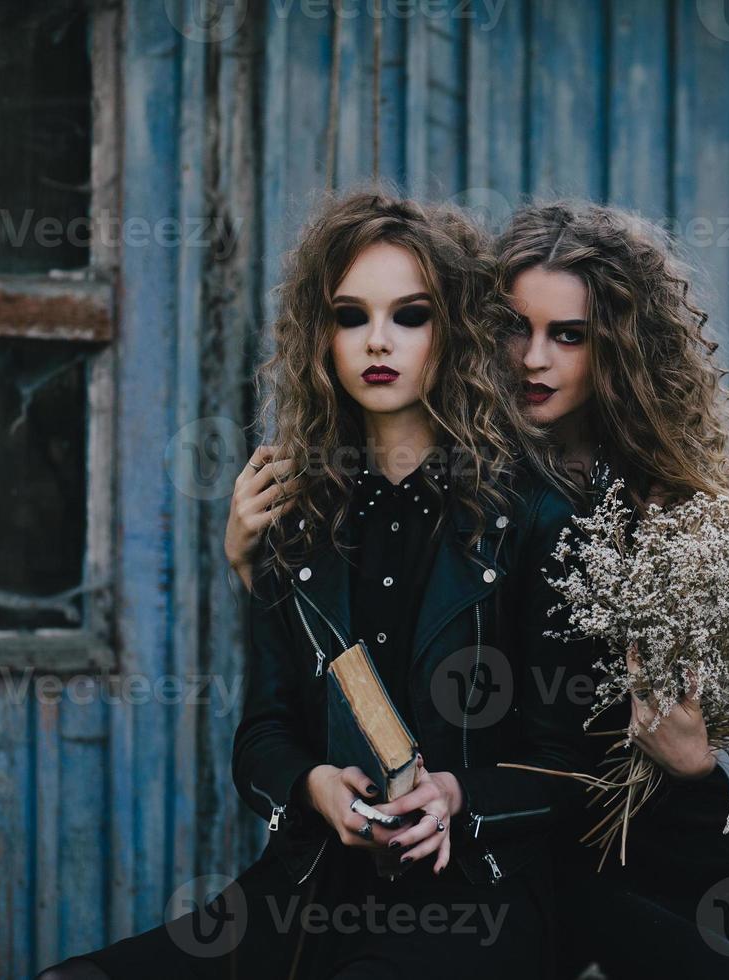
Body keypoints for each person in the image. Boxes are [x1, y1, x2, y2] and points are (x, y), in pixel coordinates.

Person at [37, 190, 589, 979]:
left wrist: (456, 799)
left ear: (456, 328)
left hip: (478, 889)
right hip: (309, 880)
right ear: (320, 334)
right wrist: (314, 785)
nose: (378, 341)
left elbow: (570, 765)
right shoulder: (292, 511)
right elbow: (261, 735)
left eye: (410, 315)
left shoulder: (532, 513)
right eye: (350, 315)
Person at [493, 200, 729, 979]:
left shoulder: (663, 501)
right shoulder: (470, 489)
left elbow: (679, 738)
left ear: (620, 349)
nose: (535, 359)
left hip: (655, 833)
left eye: (569, 335)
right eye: (514, 327)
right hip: (507, 854)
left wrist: (694, 769)